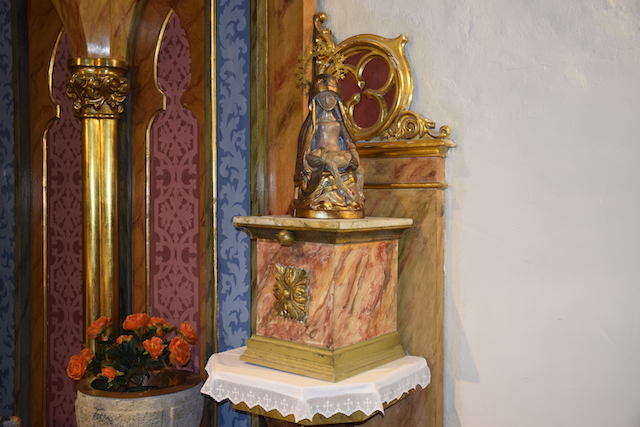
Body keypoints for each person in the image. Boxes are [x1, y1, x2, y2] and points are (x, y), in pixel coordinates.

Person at [292, 74, 364, 218]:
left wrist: (353, 152)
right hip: (321, 156)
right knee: (329, 164)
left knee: (356, 169)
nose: (326, 101)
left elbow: (349, 141)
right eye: (322, 97)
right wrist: (305, 163)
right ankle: (345, 192)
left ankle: (358, 196)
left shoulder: (341, 122)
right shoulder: (312, 124)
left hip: (337, 155)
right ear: (316, 100)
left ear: (336, 98)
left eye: (330, 96)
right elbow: (305, 145)